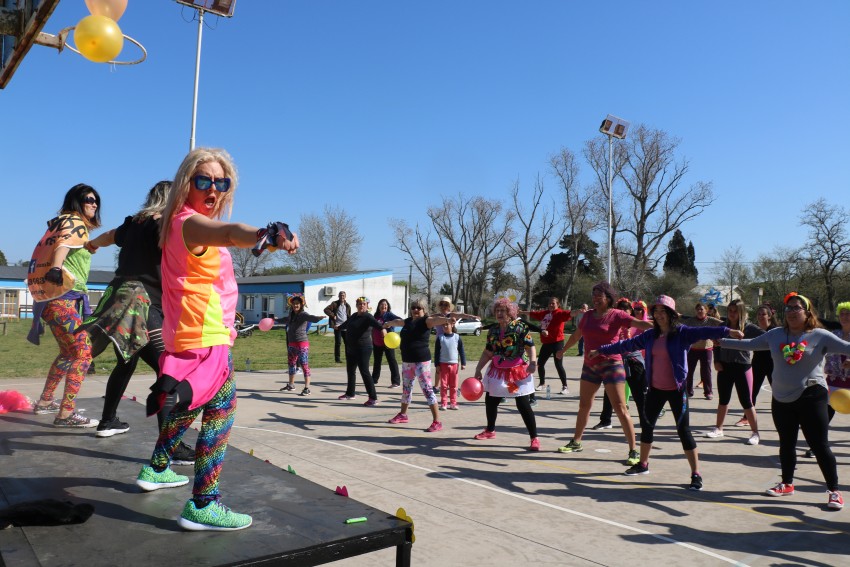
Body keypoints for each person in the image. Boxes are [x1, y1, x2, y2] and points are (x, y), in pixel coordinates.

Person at [134, 147, 299, 531]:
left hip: (191, 332)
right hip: (204, 335)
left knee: (195, 403)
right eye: (204, 180)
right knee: (222, 409)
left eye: (221, 182)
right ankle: (204, 503)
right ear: (185, 184)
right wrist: (263, 234)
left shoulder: (177, 223)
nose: (213, 189)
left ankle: (158, 466)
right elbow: (227, 232)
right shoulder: (190, 223)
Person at [78, 182, 192, 462]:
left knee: (126, 361)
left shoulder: (134, 223)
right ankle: (169, 450)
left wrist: (92, 244)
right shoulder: (165, 226)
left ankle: (108, 421)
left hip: (118, 298)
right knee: (170, 374)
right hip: (141, 304)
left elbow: (107, 236)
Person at [592, 295, 743, 490]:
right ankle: (643, 464)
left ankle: (695, 473)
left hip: (676, 390)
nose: (659, 315)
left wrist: (727, 330)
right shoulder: (650, 335)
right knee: (647, 426)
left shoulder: (682, 332)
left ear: (671, 314)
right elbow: (626, 345)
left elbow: (705, 330)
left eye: (663, 311)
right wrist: (602, 349)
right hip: (655, 390)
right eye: (656, 311)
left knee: (684, 432)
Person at [720, 292, 850, 510]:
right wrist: (720, 341)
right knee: (786, 443)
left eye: (796, 308)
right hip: (781, 398)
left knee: (819, 445)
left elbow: (847, 348)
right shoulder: (776, 334)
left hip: (812, 396)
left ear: (807, 312)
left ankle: (834, 490)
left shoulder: (820, 335)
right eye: (788, 308)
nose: (790, 312)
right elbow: (750, 344)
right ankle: (787, 484)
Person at [28, 184, 103, 428]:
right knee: (83, 352)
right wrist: (57, 268)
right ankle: (66, 413)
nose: (94, 204)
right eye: (88, 199)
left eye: (96, 200)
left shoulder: (60, 223)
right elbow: (61, 246)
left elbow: (59, 244)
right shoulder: (74, 222)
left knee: (67, 353)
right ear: (76, 202)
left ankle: (45, 402)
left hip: (54, 301)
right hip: (64, 299)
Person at [555, 282, 652, 465]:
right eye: (593, 295)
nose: (595, 298)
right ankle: (576, 442)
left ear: (608, 297)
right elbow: (577, 335)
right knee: (584, 405)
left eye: (599, 295)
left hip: (612, 364)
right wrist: (563, 350)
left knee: (620, 408)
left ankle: (633, 450)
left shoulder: (617, 315)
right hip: (590, 366)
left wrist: (661, 325)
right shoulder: (588, 316)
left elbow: (639, 323)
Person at [471, 297, 540, 450]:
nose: (500, 313)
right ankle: (490, 430)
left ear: (510, 312)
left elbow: (530, 347)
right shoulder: (494, 330)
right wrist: (478, 369)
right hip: (498, 369)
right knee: (491, 400)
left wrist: (533, 362)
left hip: (517, 371)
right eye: (497, 311)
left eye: (503, 311)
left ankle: (534, 438)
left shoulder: (520, 327)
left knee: (522, 404)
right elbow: (488, 352)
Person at [384, 299, 456, 432]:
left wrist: (447, 320)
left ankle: (437, 421)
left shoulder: (426, 321)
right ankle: (403, 415)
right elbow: (397, 322)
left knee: (428, 390)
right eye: (413, 307)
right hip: (407, 361)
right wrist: (387, 324)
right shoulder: (407, 322)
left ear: (424, 310)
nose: (416, 310)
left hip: (421, 361)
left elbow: (438, 320)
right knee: (406, 389)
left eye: (419, 308)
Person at [706, 299, 762, 445]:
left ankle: (755, 433)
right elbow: (716, 344)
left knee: (747, 402)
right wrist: (717, 360)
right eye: (730, 310)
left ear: (741, 312)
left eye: (735, 311)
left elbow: (765, 335)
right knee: (723, 399)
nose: (731, 314)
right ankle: (719, 428)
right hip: (724, 367)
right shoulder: (722, 326)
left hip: (743, 367)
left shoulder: (749, 328)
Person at [594, 298, 648, 431]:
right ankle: (606, 420)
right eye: (620, 308)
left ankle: (646, 426)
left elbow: (649, 331)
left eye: (626, 308)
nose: (623, 311)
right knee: (609, 391)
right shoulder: (613, 325)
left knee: (639, 396)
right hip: (616, 361)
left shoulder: (637, 324)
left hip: (633, 363)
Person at [337, 297, 384, 405]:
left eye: (363, 304)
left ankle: (373, 398)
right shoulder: (354, 315)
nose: (361, 305)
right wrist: (338, 327)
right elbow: (346, 324)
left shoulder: (368, 316)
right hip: (351, 348)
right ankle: (350, 393)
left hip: (364, 348)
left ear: (367, 305)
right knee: (350, 371)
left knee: (364, 372)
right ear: (356, 305)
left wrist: (383, 329)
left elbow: (377, 325)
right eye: (359, 304)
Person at [521, 297, 572, 395]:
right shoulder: (544, 313)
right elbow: (533, 314)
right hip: (546, 343)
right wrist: (522, 312)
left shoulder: (560, 313)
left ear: (558, 304)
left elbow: (570, 313)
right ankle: (542, 384)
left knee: (558, 365)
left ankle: (565, 386)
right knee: (540, 364)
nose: (551, 305)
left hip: (557, 342)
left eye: (553, 303)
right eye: (549, 303)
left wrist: (578, 311)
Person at [279, 294, 325, 396]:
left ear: (301, 305)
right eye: (294, 304)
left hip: (302, 344)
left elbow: (311, 318)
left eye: (297, 304)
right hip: (292, 344)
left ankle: (307, 388)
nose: (295, 305)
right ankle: (291, 385)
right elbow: (285, 319)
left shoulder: (303, 314)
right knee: (291, 365)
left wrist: (318, 318)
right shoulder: (291, 315)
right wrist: (275, 319)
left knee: (304, 365)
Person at [682, 302, 723, 399]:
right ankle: (688, 391)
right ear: (695, 311)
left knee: (706, 371)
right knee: (689, 371)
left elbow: (723, 325)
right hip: (693, 349)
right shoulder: (690, 321)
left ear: (706, 310)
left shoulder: (711, 320)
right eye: (698, 309)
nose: (700, 311)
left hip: (706, 349)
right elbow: (681, 328)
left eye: (702, 309)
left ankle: (708, 392)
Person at [435, 321, 467, 410]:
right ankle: (444, 403)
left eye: (447, 324)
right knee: (444, 385)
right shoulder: (440, 338)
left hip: (454, 365)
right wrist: (437, 364)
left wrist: (463, 363)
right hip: (443, 364)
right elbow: (436, 353)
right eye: (443, 325)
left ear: (452, 325)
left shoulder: (457, 337)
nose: (445, 326)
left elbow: (461, 351)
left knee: (453, 385)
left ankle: (453, 403)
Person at [751, 304, 779, 407]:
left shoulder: (775, 330)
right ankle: (747, 415)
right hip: (757, 363)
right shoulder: (753, 329)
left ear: (769, 316)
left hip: (773, 364)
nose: (761, 316)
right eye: (759, 314)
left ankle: (779, 411)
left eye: (763, 314)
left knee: (777, 390)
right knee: (752, 390)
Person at [372, 298, 402, 388]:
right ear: (378, 306)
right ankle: (374, 379)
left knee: (391, 361)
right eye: (382, 304)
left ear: (387, 306)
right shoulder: (376, 316)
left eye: (385, 305)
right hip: (377, 342)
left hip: (388, 342)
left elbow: (399, 320)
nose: (383, 306)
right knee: (377, 362)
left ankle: (396, 382)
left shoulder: (389, 315)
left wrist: (389, 323)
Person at [324, 291, 350, 363]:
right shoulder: (334, 304)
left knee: (347, 343)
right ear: (338, 296)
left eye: (343, 295)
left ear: (345, 297)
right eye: (341, 295)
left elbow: (348, 316)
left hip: (345, 327)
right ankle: (337, 359)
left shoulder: (347, 306)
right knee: (338, 343)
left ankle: (348, 358)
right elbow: (326, 310)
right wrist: (333, 315)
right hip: (337, 326)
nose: (342, 297)